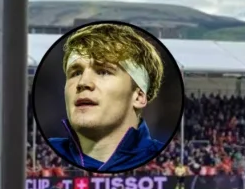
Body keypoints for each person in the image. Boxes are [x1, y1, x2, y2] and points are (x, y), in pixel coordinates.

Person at [48, 23, 166, 172]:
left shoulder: (156, 153)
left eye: (103, 72)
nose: (82, 83)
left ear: (138, 96)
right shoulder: (52, 148)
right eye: (76, 73)